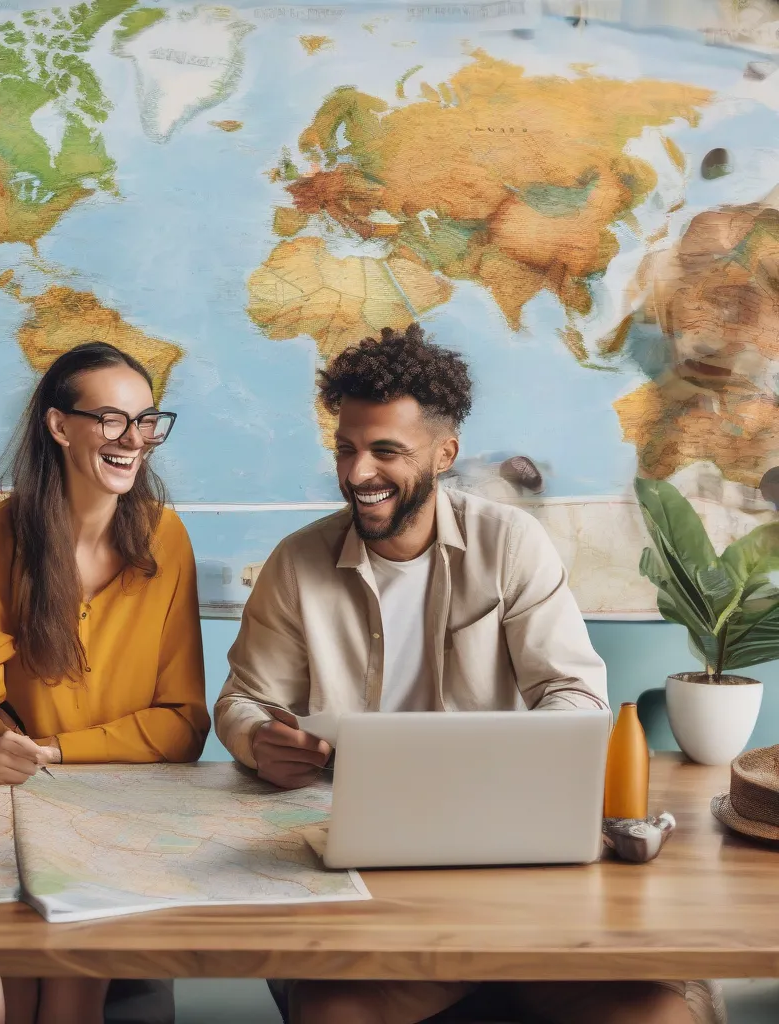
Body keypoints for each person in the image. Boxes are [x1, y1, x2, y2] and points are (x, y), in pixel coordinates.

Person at [215, 324, 719, 1024]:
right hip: (368, 862)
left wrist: (516, 762)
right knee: (335, 1013)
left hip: (513, 862)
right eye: (347, 448)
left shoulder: (511, 545)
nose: (358, 473)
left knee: (657, 1014)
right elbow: (244, 700)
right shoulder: (296, 563)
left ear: (444, 453)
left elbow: (575, 694)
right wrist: (254, 739)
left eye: (386, 451)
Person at [0, 341, 210, 1024]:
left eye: (146, 420)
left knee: (63, 1001)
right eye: (112, 420)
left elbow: (182, 724)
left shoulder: (166, 538)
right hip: (2, 807)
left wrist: (55, 751)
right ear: (59, 426)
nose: (134, 440)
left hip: (114, 815)